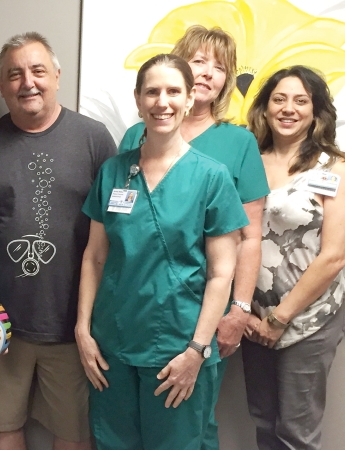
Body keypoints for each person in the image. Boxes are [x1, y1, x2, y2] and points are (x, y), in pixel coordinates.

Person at [76, 54, 247, 449]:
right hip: (111, 345)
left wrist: (196, 350)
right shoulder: (114, 172)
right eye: (152, 91)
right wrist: (83, 330)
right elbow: (94, 257)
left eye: (173, 91)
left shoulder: (211, 176)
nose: (162, 101)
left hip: (178, 346)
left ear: (189, 100)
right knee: (114, 443)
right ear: (138, 100)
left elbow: (223, 272)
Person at [0, 32, 116, 450]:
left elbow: (115, 232)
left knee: (72, 431)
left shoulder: (94, 139)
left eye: (37, 70)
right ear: (1, 86)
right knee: (2, 426)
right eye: (14, 74)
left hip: (72, 322)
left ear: (57, 76)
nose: (27, 81)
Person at [118, 28, 269, 448]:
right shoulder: (137, 136)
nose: (207, 74)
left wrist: (238, 309)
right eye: (198, 61)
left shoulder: (237, 143)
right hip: (135, 314)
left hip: (199, 313)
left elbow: (250, 236)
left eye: (220, 67)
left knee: (191, 425)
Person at [242, 66, 345, 450]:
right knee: (264, 420)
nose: (289, 109)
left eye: (301, 100)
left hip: (308, 319)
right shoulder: (247, 159)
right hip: (252, 317)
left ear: (316, 111)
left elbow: (335, 256)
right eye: (279, 99)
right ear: (265, 108)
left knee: (296, 433)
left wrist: (279, 318)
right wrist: (250, 315)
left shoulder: (334, 166)